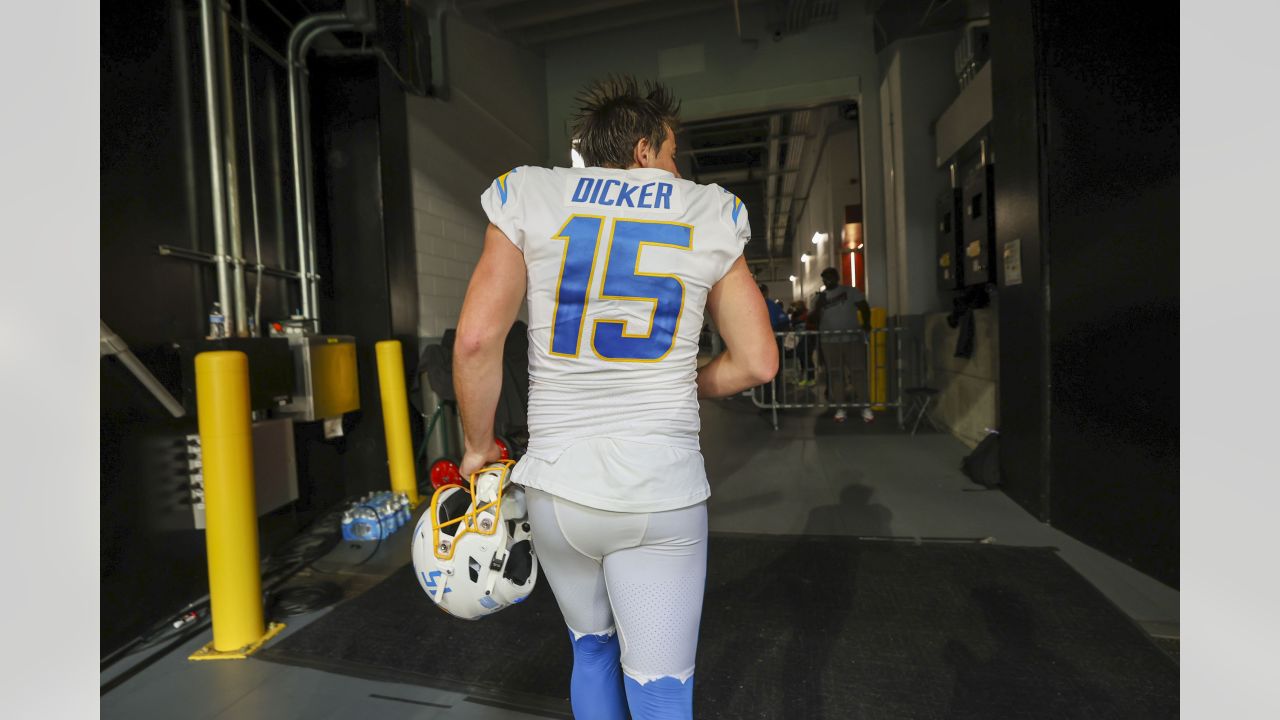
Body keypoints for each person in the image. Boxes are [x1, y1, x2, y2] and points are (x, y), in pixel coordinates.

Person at [452, 74, 777, 720]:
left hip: (558, 491)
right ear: (644, 151)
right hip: (660, 491)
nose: (676, 167)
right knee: (660, 692)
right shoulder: (707, 209)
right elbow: (759, 362)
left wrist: (475, 449)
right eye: (672, 151)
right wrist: (687, 380)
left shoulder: (531, 194)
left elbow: (476, 342)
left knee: (593, 653)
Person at [812, 266, 873, 422]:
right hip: (829, 342)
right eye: (825, 278)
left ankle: (865, 407)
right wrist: (820, 304)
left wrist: (866, 323)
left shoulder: (850, 291)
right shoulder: (819, 298)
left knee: (858, 371)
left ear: (837, 278)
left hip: (852, 339)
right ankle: (840, 408)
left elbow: (864, 307)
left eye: (831, 277)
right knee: (835, 374)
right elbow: (813, 319)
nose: (828, 280)